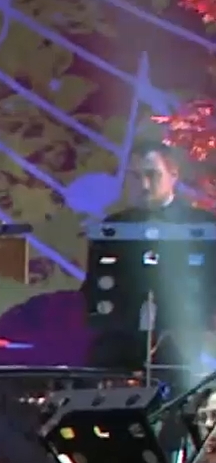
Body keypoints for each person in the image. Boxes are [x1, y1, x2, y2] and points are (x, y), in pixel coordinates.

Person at [90, 141, 216, 370]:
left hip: (190, 345)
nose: (144, 185)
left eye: (152, 175)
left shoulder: (205, 225)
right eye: (135, 176)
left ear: (173, 175)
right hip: (123, 345)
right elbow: (96, 286)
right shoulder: (113, 227)